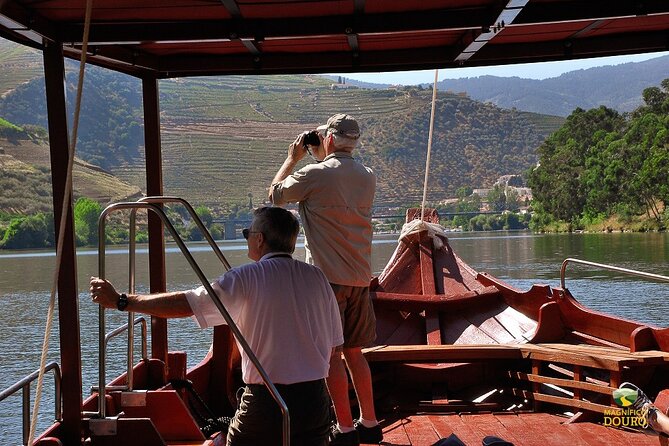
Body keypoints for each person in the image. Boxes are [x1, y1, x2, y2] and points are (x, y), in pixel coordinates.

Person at [90, 206, 343, 446]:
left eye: (247, 233)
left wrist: (122, 301)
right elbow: (334, 352)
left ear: (259, 239)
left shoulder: (245, 278)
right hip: (315, 402)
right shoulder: (318, 278)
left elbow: (186, 304)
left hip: (267, 402)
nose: (246, 239)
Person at [269, 113, 382, 445]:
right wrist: (323, 155)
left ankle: (345, 430)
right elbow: (337, 179)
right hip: (360, 278)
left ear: (329, 139)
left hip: (326, 281)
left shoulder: (313, 174)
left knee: (333, 354)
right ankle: (370, 423)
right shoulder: (368, 176)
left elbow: (275, 195)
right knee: (355, 352)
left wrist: (293, 158)